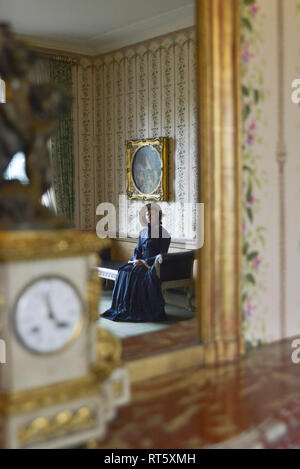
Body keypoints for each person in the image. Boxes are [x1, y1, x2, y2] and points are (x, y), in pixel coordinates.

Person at [101, 203, 171, 322]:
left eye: (151, 215)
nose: (149, 217)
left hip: (151, 265)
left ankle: (135, 309)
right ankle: (122, 307)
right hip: (138, 262)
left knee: (136, 275)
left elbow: (162, 255)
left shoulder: (164, 234)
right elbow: (137, 250)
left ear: (158, 216)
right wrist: (134, 260)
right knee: (123, 270)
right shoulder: (143, 232)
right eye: (147, 215)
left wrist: (144, 262)